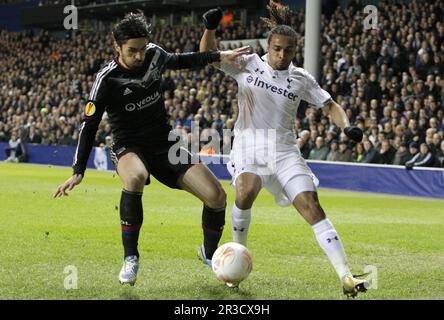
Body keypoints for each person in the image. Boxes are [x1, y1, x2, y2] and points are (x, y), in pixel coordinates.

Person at [53, 11, 249, 286]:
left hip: (164, 142)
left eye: (142, 49)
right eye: (132, 51)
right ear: (117, 47)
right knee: (134, 177)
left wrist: (217, 57)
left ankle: (208, 252)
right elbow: (89, 124)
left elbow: (181, 61)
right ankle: (130, 258)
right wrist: (78, 170)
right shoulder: (106, 79)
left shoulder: (155, 54)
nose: (139, 56)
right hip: (128, 144)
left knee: (216, 197)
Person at [199, 4, 368, 297]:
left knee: (311, 206)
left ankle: (346, 276)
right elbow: (208, 56)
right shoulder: (248, 63)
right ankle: (237, 265)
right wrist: (210, 28)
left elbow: (329, 105)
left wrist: (346, 126)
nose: (281, 55)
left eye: (288, 51)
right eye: (277, 49)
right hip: (250, 144)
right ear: (269, 45)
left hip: (285, 150)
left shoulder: (301, 78)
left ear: (294, 50)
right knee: (246, 191)